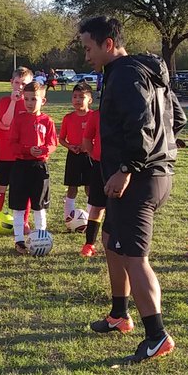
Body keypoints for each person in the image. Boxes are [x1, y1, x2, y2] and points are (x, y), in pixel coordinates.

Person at [78, 15, 187, 365]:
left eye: (88, 48)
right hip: (151, 174)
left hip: (138, 179)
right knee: (110, 240)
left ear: (107, 44)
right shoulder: (143, 71)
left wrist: (128, 168)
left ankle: (157, 337)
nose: (86, 56)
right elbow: (177, 118)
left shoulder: (125, 74)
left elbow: (142, 122)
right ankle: (118, 314)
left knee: (136, 258)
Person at [8, 80, 57, 253]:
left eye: (33, 99)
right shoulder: (19, 119)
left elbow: (53, 143)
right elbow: (12, 143)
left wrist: (43, 150)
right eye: (26, 99)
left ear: (42, 101)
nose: (29, 103)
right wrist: (28, 150)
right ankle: (19, 240)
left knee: (39, 204)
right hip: (21, 166)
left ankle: (41, 238)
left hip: (39, 167)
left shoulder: (47, 121)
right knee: (19, 205)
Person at [0, 67, 33, 232]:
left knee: (22, 189)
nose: (20, 87)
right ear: (11, 83)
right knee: (0, 187)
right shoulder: (5, 101)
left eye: (24, 84)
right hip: (6, 153)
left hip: (23, 155)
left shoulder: (30, 102)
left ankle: (24, 222)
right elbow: (5, 124)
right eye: (17, 83)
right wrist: (13, 102)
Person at [58, 81, 94, 224]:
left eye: (81, 97)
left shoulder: (94, 116)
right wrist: (70, 146)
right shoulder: (68, 118)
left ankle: (91, 219)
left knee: (89, 188)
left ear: (89, 100)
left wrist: (88, 146)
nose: (77, 100)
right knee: (72, 187)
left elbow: (99, 137)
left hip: (90, 156)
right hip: (73, 156)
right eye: (75, 97)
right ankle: (69, 218)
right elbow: (61, 139)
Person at [78, 98, 105, 258]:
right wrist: (95, 155)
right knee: (97, 206)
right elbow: (87, 139)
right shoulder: (96, 115)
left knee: (120, 209)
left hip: (122, 168)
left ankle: (118, 242)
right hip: (100, 166)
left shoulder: (125, 114)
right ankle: (89, 244)